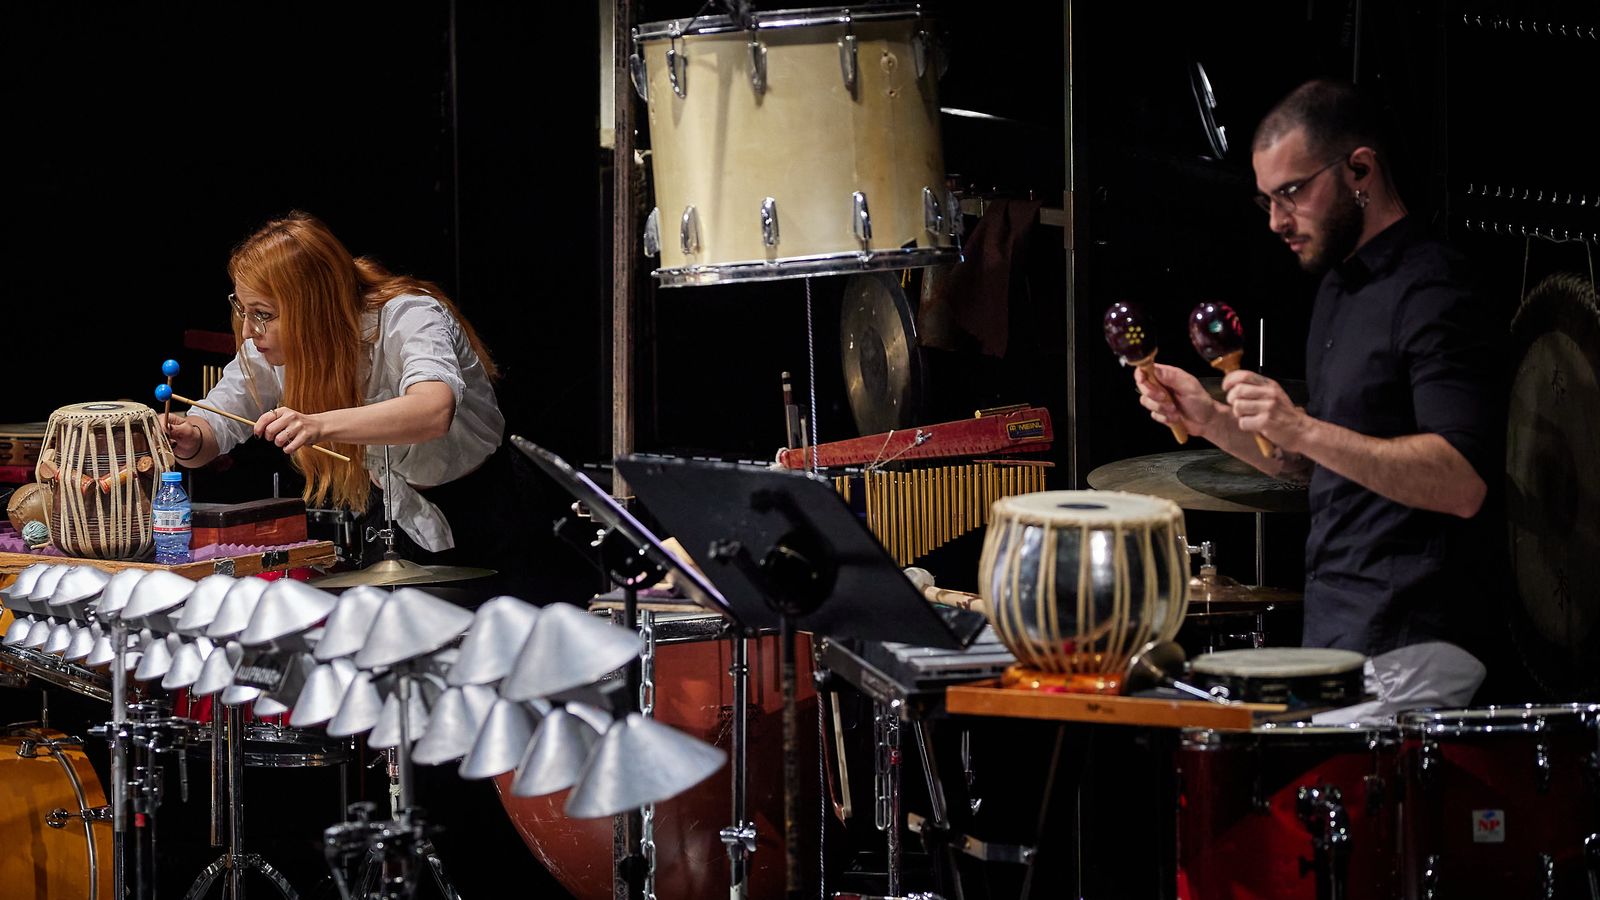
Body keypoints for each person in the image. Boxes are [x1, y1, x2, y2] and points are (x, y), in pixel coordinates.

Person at [1133, 79, 1501, 717]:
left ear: (1360, 170)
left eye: (1293, 192)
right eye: (1267, 199)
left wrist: (1300, 426)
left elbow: (1463, 483)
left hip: (1413, 645)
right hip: (1339, 635)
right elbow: (1320, 464)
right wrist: (1212, 419)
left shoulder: (1434, 288)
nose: (1277, 220)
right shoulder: (1337, 290)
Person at [159, 211, 549, 599]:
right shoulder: (267, 349)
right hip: (397, 515)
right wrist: (191, 438)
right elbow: (214, 427)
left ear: (314, 307)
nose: (248, 331)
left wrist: (317, 424)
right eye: (243, 310)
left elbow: (433, 410)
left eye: (262, 314)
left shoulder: (409, 316)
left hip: (491, 506)